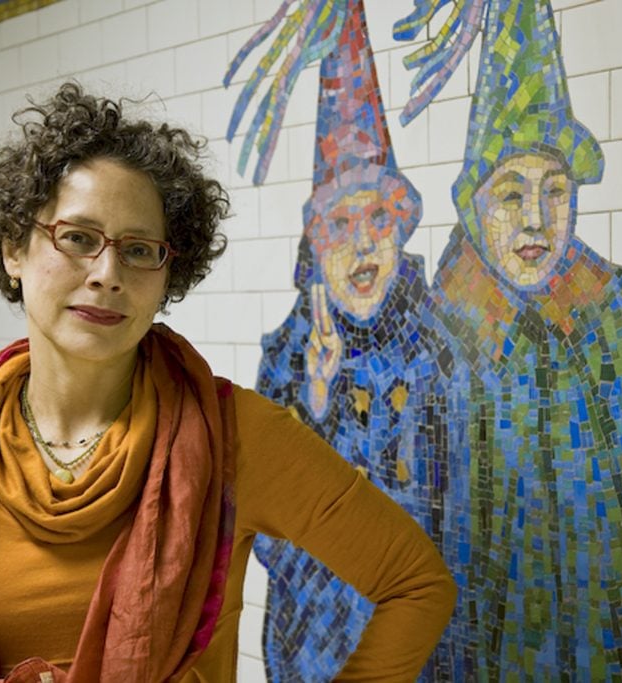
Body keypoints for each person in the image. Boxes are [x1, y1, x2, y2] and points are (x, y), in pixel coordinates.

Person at [0, 81, 456, 683]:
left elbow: (415, 583)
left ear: (168, 275)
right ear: (14, 249)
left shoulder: (235, 438)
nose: (108, 272)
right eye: (78, 237)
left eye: (139, 249)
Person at [429, 0, 622, 679]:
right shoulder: (440, 327)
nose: (537, 218)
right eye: (511, 193)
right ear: (473, 204)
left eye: (556, 190)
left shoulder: (614, 305)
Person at [248, 1, 451, 680]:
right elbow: (267, 540)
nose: (363, 242)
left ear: (398, 230)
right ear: (315, 249)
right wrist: (314, 394)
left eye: (376, 219)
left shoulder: (439, 349)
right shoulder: (285, 356)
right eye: (340, 224)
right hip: (311, 649)